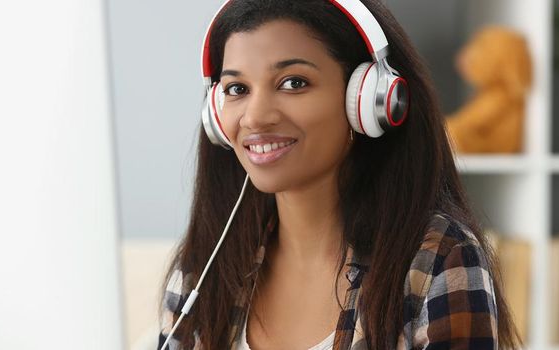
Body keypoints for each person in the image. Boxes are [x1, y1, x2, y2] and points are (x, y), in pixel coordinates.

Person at [157, 0, 523, 349]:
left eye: (293, 83)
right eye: (237, 89)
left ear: (368, 100)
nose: (255, 117)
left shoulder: (438, 259)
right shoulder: (204, 268)